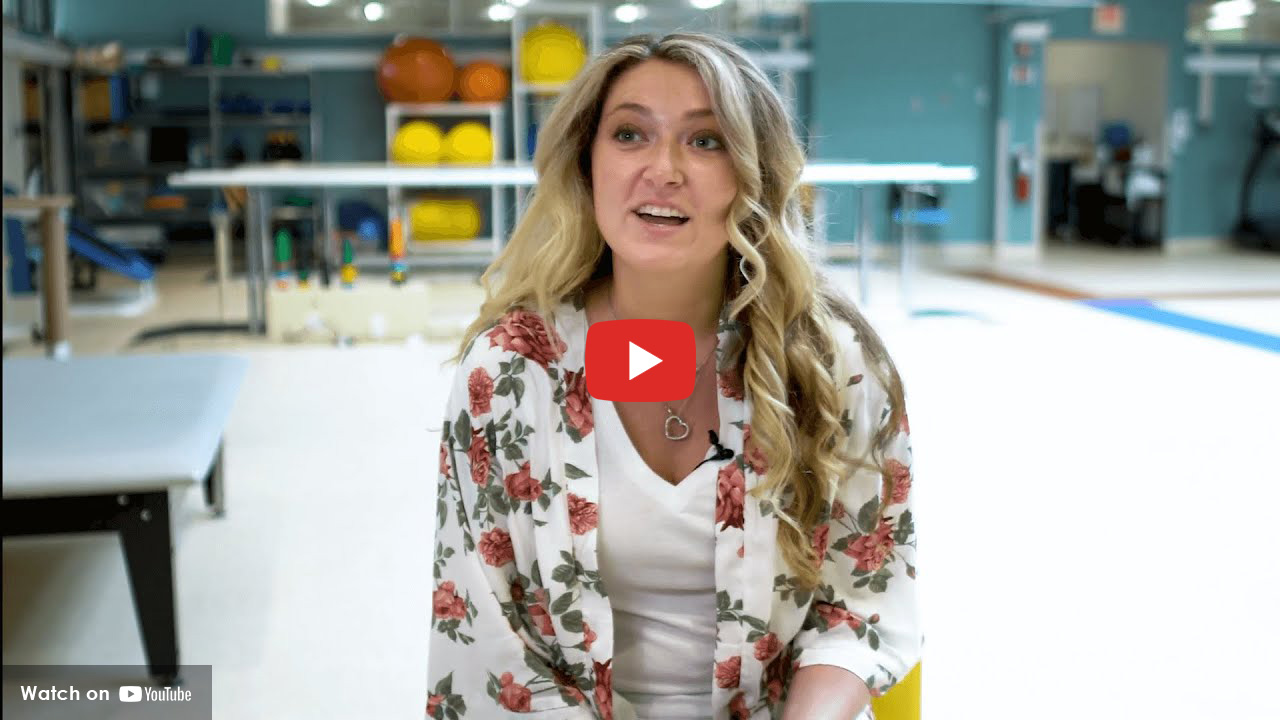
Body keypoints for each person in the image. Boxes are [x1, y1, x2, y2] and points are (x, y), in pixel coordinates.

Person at [428, 32, 919, 720]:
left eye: (706, 140)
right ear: (587, 163)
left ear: (754, 174)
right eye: (630, 134)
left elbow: (863, 604)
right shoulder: (514, 370)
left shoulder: (832, 363)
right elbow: (489, 640)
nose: (663, 169)